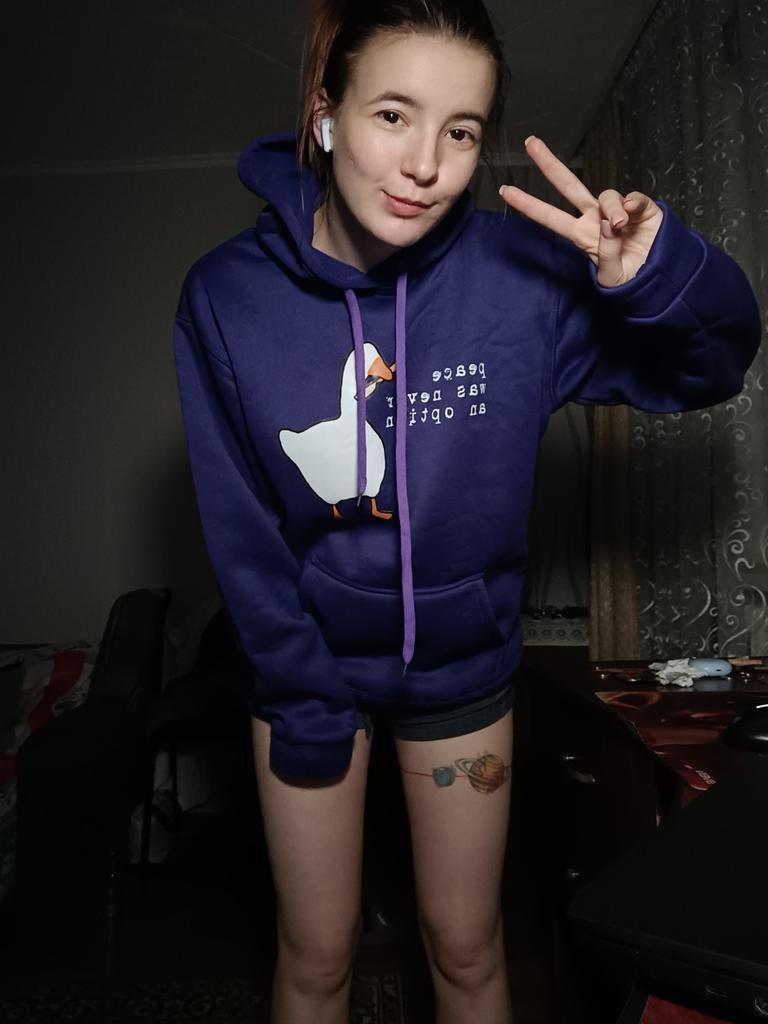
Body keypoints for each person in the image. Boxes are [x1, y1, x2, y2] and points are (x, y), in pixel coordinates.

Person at [172, 2, 762, 1022]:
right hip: (305, 669)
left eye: (460, 130)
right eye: (392, 115)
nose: (425, 166)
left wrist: (658, 275)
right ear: (323, 112)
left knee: (464, 943)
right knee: (315, 954)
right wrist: (304, 700)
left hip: (462, 674)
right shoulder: (226, 296)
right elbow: (241, 527)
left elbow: (710, 368)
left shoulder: (519, 277)